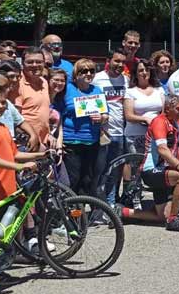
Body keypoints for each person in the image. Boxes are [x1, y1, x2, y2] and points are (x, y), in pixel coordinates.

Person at [0, 85, 49, 279]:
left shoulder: (2, 127)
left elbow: (13, 153)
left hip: (6, 187)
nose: (0, 106)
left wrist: (39, 155)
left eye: (3, 103)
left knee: (0, 232)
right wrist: (19, 167)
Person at [118, 97, 179, 231]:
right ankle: (173, 220)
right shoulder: (160, 122)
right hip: (151, 171)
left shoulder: (175, 122)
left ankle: (122, 213)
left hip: (164, 170)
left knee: (161, 216)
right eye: (178, 109)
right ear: (168, 108)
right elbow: (162, 149)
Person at [57, 59, 108, 200]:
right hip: (71, 141)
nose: (88, 74)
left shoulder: (96, 90)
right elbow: (57, 113)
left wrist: (102, 117)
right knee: (73, 179)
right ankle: (69, 214)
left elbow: (106, 114)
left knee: (88, 180)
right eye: (84, 71)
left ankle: (80, 216)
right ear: (76, 73)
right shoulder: (67, 89)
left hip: (92, 141)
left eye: (92, 71)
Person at [93, 48, 130, 207]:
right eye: (116, 61)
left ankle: (111, 204)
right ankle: (98, 205)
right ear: (108, 61)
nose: (120, 64)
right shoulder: (97, 79)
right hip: (103, 133)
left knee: (115, 171)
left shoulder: (126, 80)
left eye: (123, 62)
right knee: (100, 171)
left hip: (120, 132)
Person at [10, 46, 52, 150]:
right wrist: (34, 140)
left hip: (43, 142)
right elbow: (15, 120)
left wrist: (49, 135)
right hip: (25, 144)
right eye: (30, 62)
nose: (35, 65)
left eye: (39, 62)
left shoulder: (44, 82)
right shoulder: (17, 84)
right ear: (23, 63)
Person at [124, 58, 165, 155]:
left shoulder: (159, 90)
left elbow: (163, 113)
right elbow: (128, 116)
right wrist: (145, 119)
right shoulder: (130, 92)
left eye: (147, 70)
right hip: (135, 136)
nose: (144, 73)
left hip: (156, 135)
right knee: (137, 166)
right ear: (136, 73)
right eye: (141, 70)